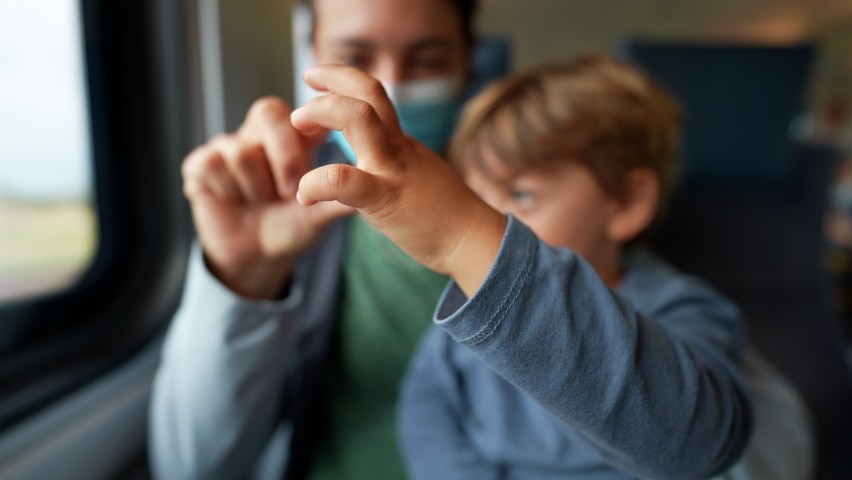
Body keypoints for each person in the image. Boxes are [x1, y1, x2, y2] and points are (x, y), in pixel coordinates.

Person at [389, 56, 814, 479]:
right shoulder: (468, 321)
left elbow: (690, 442)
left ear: (626, 202)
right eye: (476, 198)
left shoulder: (680, 311)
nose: (491, 222)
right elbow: (427, 415)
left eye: (520, 195)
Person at [149, 0, 479, 479]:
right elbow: (191, 468)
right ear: (312, 57)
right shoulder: (285, 200)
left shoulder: (539, 215)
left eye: (427, 61)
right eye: (355, 59)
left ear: (469, 63)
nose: (387, 87)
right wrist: (244, 279)